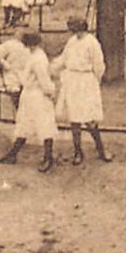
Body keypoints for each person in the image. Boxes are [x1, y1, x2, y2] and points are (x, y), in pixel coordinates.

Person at [53, 17, 113, 164]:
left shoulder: (92, 43)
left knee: (90, 119)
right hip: (72, 81)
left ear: (82, 29)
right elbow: (64, 58)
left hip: (85, 82)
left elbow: (99, 65)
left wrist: (94, 82)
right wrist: (52, 67)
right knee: (74, 120)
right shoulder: (72, 41)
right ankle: (78, 152)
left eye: (76, 30)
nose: (74, 33)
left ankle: (101, 149)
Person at [0, 31, 58, 171]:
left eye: (31, 45)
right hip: (29, 94)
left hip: (38, 95)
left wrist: (50, 92)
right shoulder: (33, 55)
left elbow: (44, 80)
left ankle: (48, 158)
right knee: (24, 125)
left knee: (44, 126)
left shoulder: (38, 59)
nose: (29, 47)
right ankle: (12, 154)